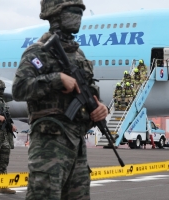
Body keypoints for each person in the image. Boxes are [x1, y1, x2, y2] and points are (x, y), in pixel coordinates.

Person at [11, 0, 108, 199]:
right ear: (55, 14)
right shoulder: (38, 52)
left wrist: (99, 110)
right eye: (72, 11)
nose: (77, 16)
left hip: (77, 146)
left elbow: (89, 94)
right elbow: (19, 89)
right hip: (49, 146)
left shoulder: (79, 55)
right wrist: (57, 79)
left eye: (80, 11)